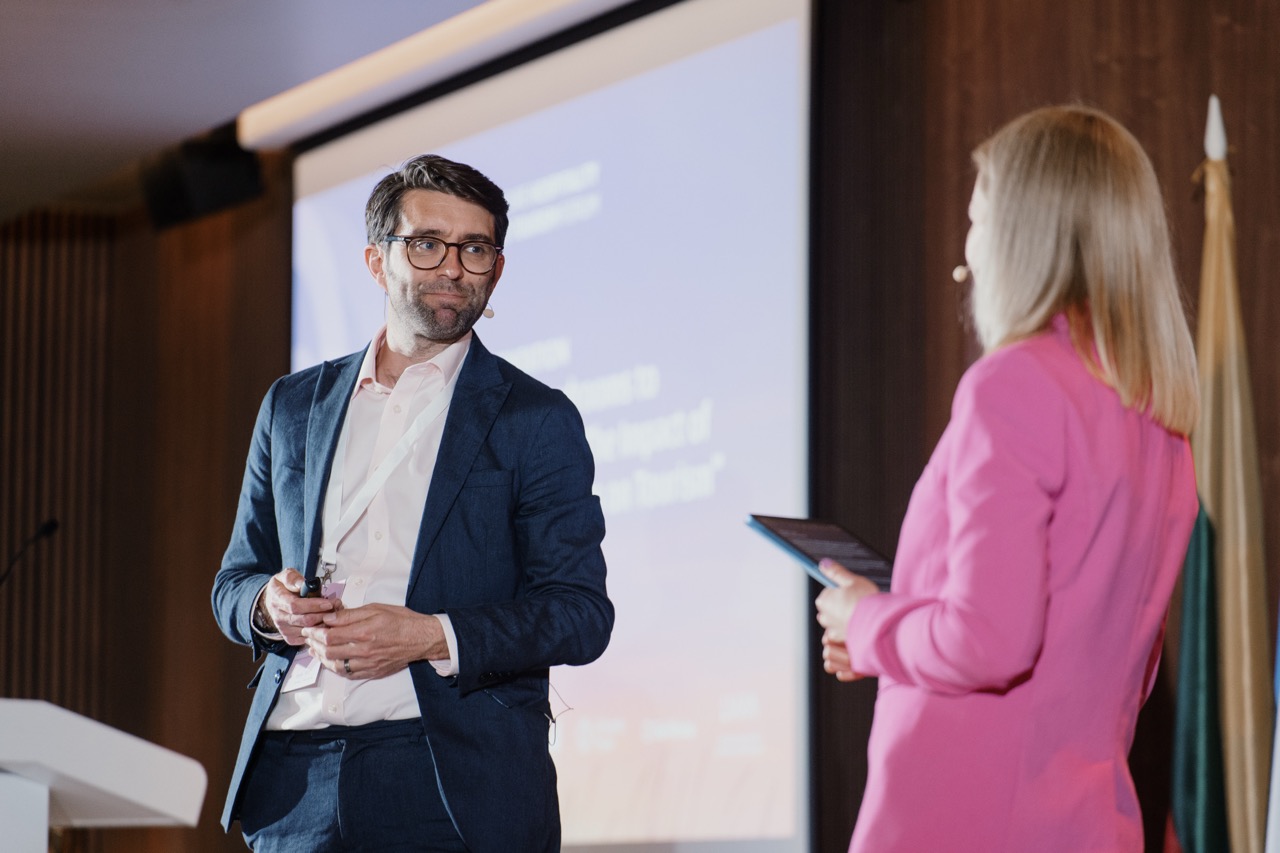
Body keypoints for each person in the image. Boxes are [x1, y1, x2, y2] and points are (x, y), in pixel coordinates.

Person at [814, 105, 1200, 852]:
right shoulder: (1161, 423)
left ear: (1025, 234)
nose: (969, 249)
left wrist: (867, 621)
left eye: (977, 220)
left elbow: (991, 639)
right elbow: (1118, 662)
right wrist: (892, 631)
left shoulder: (1014, 384)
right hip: (1087, 822)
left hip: (969, 818)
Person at [212, 153, 614, 852]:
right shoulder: (293, 405)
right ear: (377, 261)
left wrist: (430, 635)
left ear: (496, 269)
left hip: (447, 776)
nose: (453, 267)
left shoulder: (534, 417)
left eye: (475, 249)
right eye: (427, 244)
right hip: (293, 776)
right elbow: (233, 584)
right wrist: (268, 605)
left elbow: (581, 614)